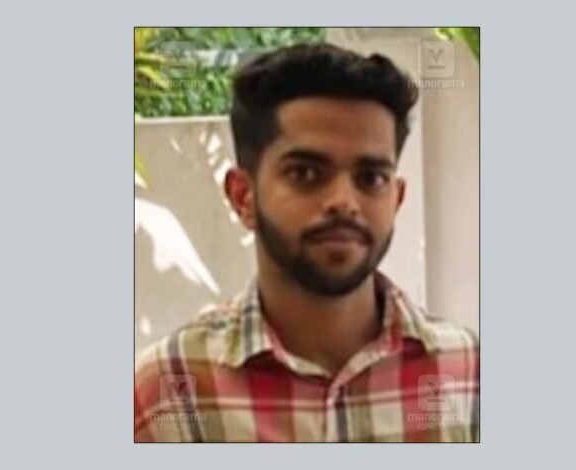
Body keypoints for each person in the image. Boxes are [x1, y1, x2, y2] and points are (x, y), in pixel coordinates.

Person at [135, 43, 478, 442]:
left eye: (371, 178)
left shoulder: (468, 378)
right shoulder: (168, 394)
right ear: (243, 196)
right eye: (306, 173)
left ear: (396, 199)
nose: (344, 202)